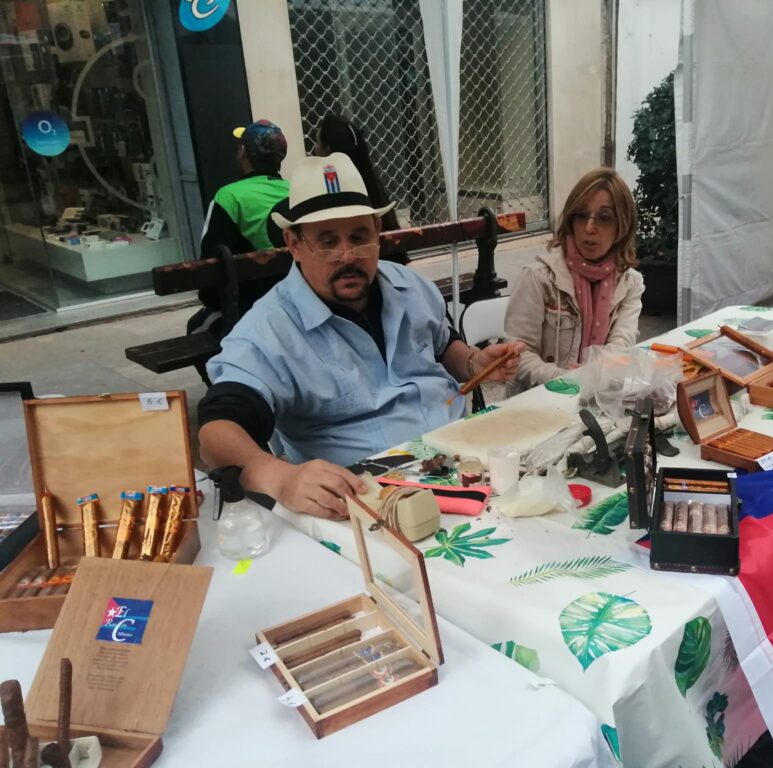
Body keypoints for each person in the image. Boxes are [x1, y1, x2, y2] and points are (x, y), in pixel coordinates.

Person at [197, 153, 523, 520]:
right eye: (327, 241)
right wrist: (279, 477)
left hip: (465, 457)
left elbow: (442, 344)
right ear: (294, 243)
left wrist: (474, 362)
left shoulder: (408, 286)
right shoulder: (268, 332)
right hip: (369, 498)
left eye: (359, 237)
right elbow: (216, 431)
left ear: (377, 232)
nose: (347, 256)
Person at [504, 168, 644, 393]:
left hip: (596, 396)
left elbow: (621, 344)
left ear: (623, 226)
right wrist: (567, 379)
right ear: (570, 220)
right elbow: (516, 355)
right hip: (538, 401)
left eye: (604, 218)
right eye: (581, 215)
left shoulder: (630, 284)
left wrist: (595, 372)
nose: (589, 228)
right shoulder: (538, 278)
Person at [189, 119, 291, 340]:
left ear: (244, 152)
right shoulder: (295, 190)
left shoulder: (229, 196)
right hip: (292, 297)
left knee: (195, 328)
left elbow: (210, 263)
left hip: (247, 305)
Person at [311, 112, 408, 264]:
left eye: (317, 142)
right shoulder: (371, 183)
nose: (314, 149)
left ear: (327, 150)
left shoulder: (333, 189)